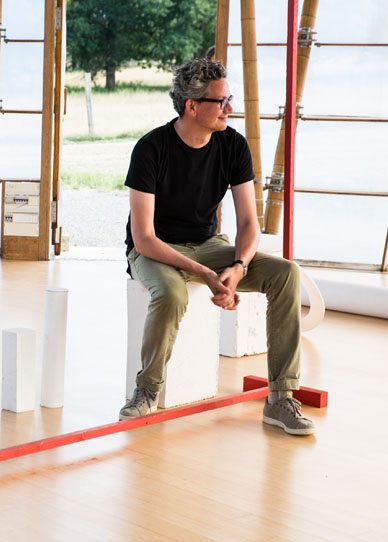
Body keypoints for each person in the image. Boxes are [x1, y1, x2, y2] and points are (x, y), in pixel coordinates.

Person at [120, 58, 315, 436]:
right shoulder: (151, 148)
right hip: (156, 250)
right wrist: (205, 274)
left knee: (286, 273)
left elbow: (248, 224)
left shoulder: (232, 144)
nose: (230, 108)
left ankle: (280, 397)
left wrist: (238, 266)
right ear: (192, 106)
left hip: (208, 244)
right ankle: (147, 389)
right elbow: (143, 237)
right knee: (172, 294)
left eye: (230, 99)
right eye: (221, 101)